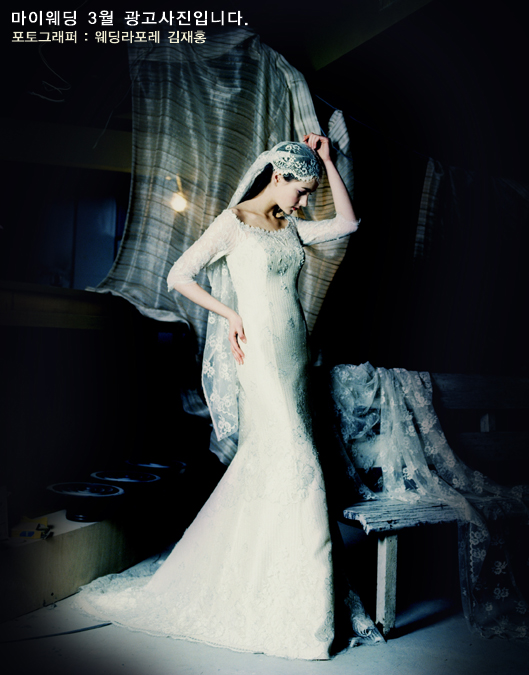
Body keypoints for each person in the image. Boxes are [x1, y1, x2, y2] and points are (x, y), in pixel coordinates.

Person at [76, 134, 380, 660]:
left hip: (294, 353)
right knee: (299, 462)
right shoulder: (233, 223)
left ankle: (281, 587)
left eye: (309, 196)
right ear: (278, 177)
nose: (303, 203)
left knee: (276, 465)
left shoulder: (290, 226)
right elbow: (178, 275)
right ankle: (306, 615)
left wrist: (328, 163)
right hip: (258, 356)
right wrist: (230, 314)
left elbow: (349, 224)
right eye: (301, 191)